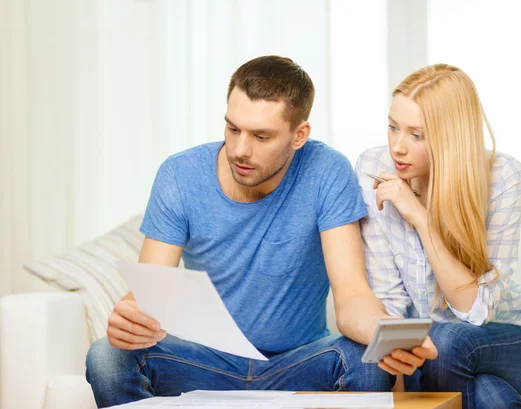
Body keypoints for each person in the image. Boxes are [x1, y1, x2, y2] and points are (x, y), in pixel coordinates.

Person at [85, 56, 438, 408]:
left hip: (299, 362)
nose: (240, 150)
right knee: (106, 357)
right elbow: (150, 291)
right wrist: (129, 317)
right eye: (233, 129)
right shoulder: (180, 174)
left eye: (261, 136)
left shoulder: (327, 170)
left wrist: (387, 335)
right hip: (204, 363)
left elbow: (352, 298)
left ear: (299, 135)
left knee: (369, 361)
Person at [355, 63, 521, 409]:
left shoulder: (502, 176)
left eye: (416, 135)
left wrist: (420, 217)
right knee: (486, 393)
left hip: (519, 343)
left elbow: (475, 310)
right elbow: (389, 300)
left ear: (450, 137)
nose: (397, 147)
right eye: (393, 127)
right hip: (436, 357)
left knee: (448, 340)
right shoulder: (372, 168)